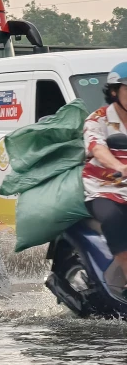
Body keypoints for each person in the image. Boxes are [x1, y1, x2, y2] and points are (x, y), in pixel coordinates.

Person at [82, 62, 127, 286]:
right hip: (105, 189)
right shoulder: (97, 119)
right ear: (113, 91)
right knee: (113, 218)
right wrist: (118, 167)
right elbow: (97, 148)